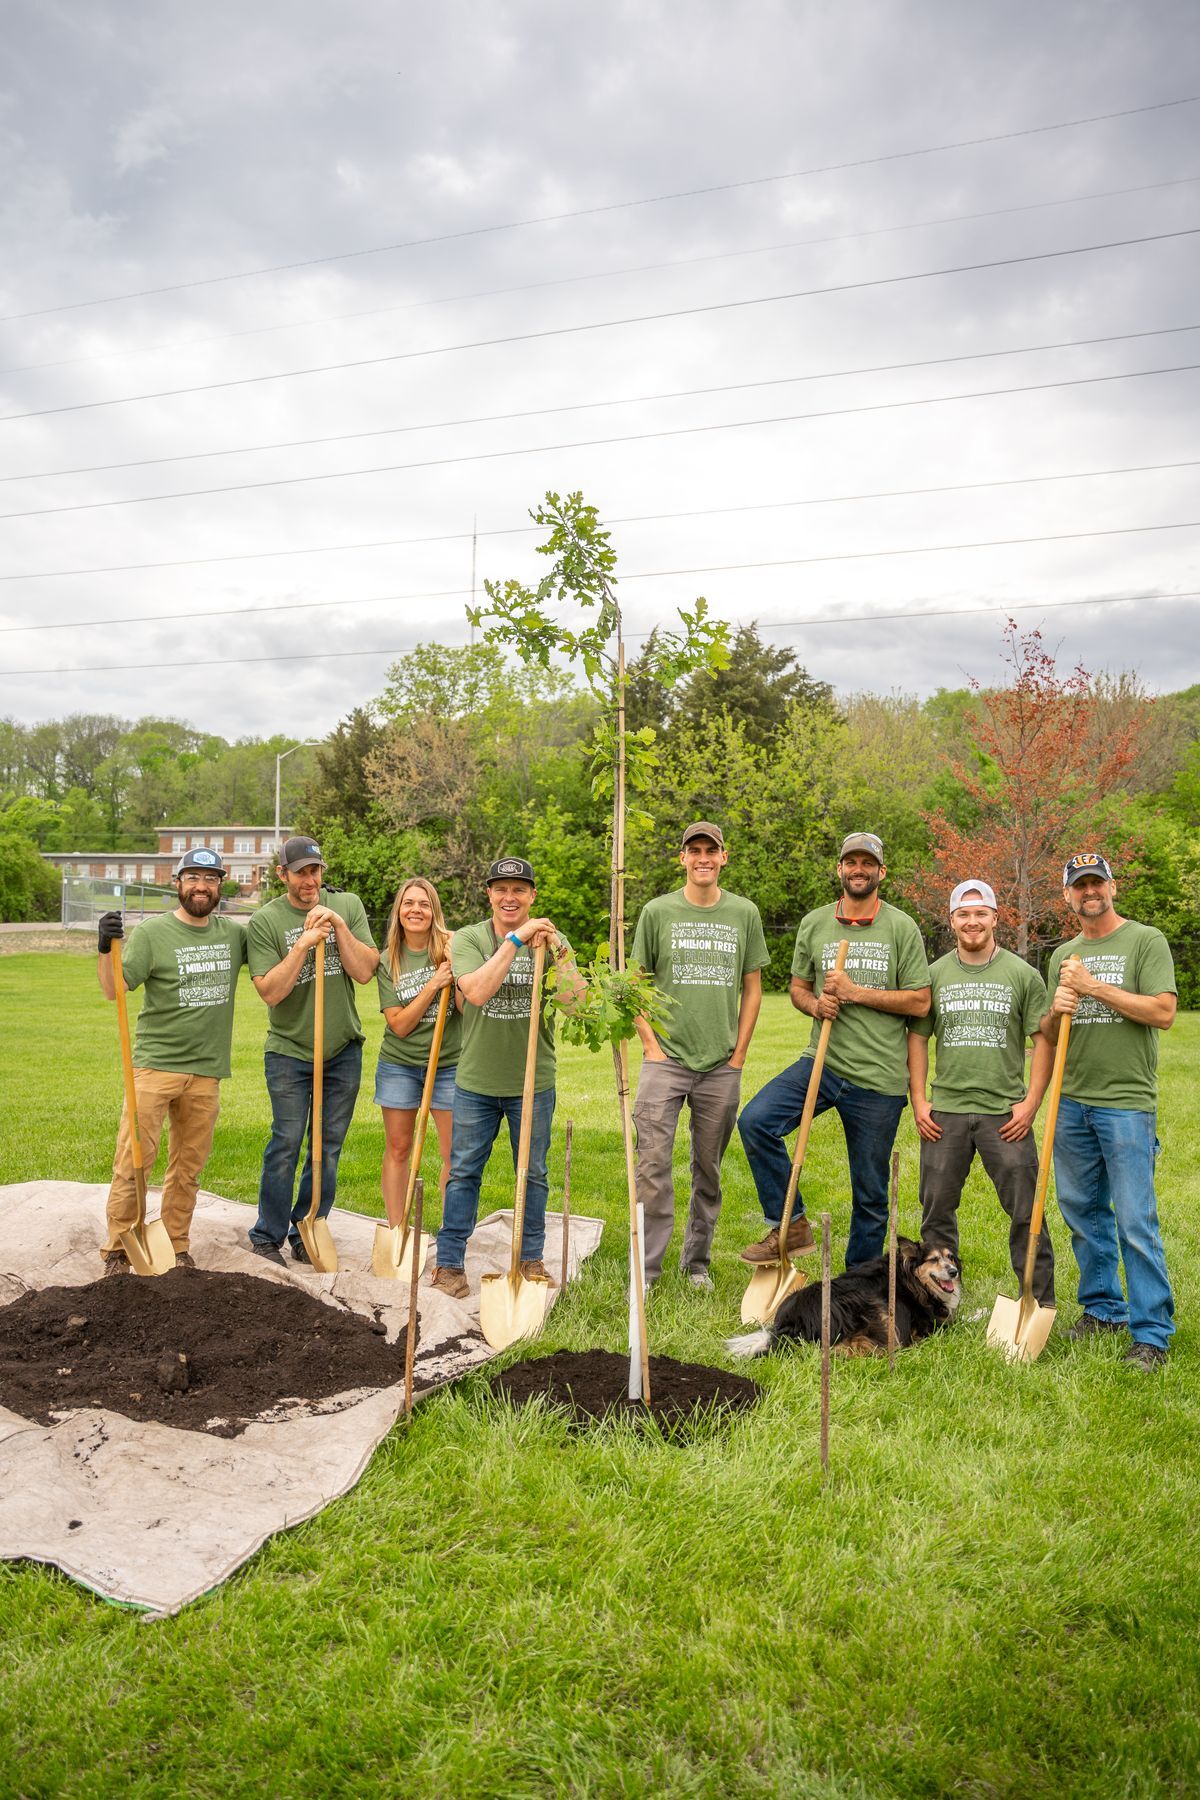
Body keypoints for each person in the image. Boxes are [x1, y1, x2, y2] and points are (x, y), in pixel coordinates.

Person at [738, 832, 930, 1268]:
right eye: (851, 862)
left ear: (881, 872)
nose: (858, 869)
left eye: (868, 863)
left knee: (870, 1193)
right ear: (839, 869)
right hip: (822, 1064)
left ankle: (856, 1283)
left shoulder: (901, 927)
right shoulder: (815, 923)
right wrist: (816, 1003)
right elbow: (797, 989)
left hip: (878, 1079)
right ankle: (792, 1223)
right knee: (756, 1121)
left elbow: (919, 1001)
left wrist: (856, 992)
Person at [1041, 853, 1178, 1370]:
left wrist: (1093, 986)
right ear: (1068, 896)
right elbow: (1051, 1035)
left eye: (1096, 883)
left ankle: (1152, 1333)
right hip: (1072, 1101)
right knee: (1082, 1213)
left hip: (1126, 1103)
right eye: (1079, 886)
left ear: (1112, 888)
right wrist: (1057, 1009)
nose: (1089, 892)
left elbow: (1163, 1012)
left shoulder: (1146, 940)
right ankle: (1103, 1309)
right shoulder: (1063, 955)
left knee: (1135, 1221)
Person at [431, 857, 584, 1299]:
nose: (510, 897)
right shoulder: (469, 939)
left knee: (533, 1173)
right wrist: (515, 941)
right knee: (463, 1173)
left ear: (532, 895)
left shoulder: (552, 943)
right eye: (501, 889)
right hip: (476, 1081)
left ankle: (530, 1258)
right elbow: (475, 992)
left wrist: (558, 951)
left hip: (532, 1083)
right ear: (489, 894)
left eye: (519, 890)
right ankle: (449, 1263)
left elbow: (575, 1004)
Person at [630, 821, 769, 1290]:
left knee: (708, 1169)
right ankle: (648, 1269)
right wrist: (650, 1043)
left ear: (723, 857)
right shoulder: (657, 912)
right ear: (683, 859)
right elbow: (634, 984)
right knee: (651, 1166)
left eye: (712, 850)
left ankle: (697, 1264)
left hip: (720, 1065)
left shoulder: (743, 913)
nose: (703, 857)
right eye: (695, 850)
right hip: (664, 1060)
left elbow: (753, 987)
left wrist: (739, 1054)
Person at [95, 847, 248, 1272]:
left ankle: (176, 1244)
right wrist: (105, 947)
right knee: (134, 1162)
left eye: (211, 878)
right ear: (177, 883)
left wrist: (317, 907)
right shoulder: (151, 934)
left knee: (188, 1169)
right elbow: (115, 991)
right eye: (193, 878)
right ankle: (118, 1249)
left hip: (206, 1071)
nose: (202, 886)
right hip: (155, 1067)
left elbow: (274, 945)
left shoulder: (233, 935)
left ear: (221, 886)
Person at [908, 880, 1055, 1303]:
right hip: (946, 1114)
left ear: (995, 917)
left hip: (1004, 1115)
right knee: (936, 1213)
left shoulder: (1022, 975)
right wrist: (919, 1100)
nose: (972, 921)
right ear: (952, 920)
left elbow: (1042, 1040)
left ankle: (1037, 1301)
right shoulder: (933, 975)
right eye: (963, 914)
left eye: (980, 913)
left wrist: (1030, 1103)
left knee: (1027, 1213)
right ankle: (938, 1302)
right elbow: (917, 1038)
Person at [246, 835, 379, 1264]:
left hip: (342, 1050)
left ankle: (308, 1229)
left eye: (316, 870)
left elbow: (363, 972)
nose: (311, 880)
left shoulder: (349, 905)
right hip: (289, 1051)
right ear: (281, 874)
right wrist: (303, 945)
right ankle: (267, 1234)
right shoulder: (266, 921)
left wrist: (338, 926)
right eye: (301, 872)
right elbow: (270, 992)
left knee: (327, 1147)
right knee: (285, 1142)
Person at [375, 876, 462, 1223]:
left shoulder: (452, 948)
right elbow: (399, 1025)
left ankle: (450, 1236)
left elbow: (466, 1004)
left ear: (434, 911)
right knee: (398, 1148)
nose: (416, 910)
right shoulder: (388, 961)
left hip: (448, 1065)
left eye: (424, 904)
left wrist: (457, 965)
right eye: (409, 903)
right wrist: (434, 984)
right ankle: (397, 1229)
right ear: (399, 912)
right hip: (400, 1066)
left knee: (454, 1156)